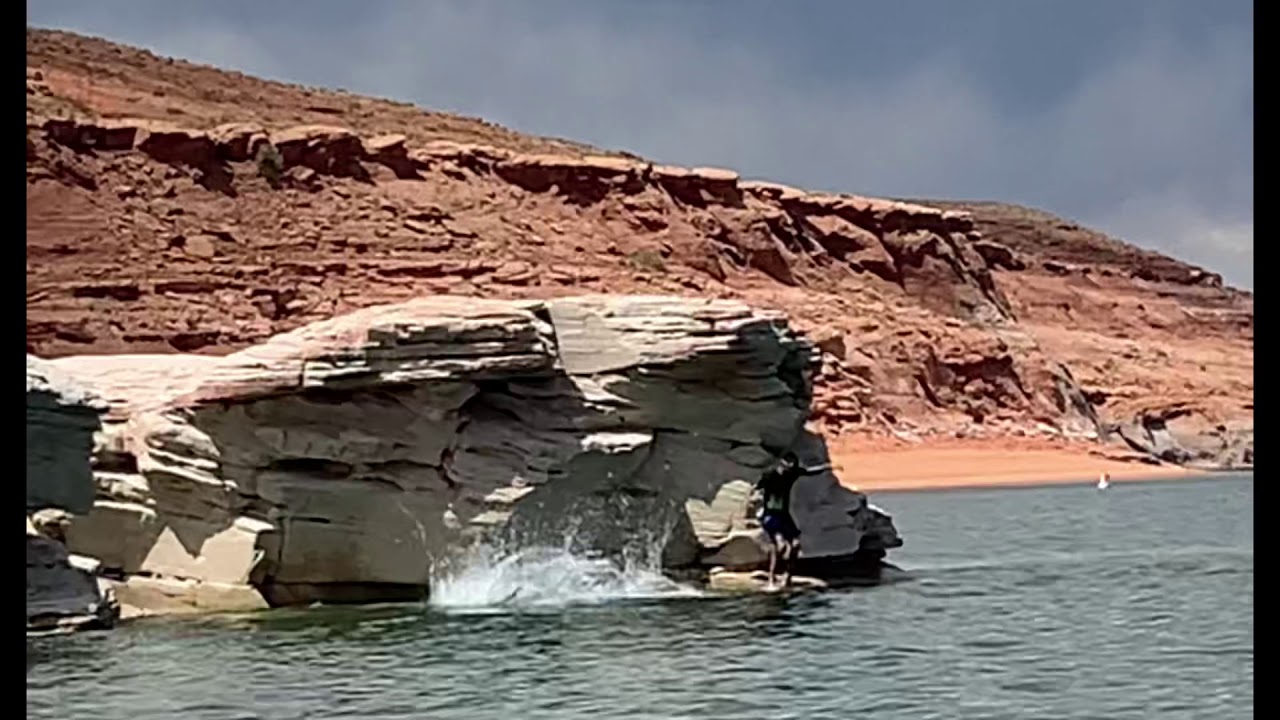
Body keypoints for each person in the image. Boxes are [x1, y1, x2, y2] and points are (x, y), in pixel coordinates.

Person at [755, 452, 831, 589]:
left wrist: (827, 467)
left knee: (795, 544)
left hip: (784, 515)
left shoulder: (791, 474)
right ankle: (771, 579)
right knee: (778, 546)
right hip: (770, 515)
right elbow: (757, 487)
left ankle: (787, 576)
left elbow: (810, 472)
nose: (789, 467)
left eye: (792, 464)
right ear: (781, 463)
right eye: (788, 464)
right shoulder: (770, 476)